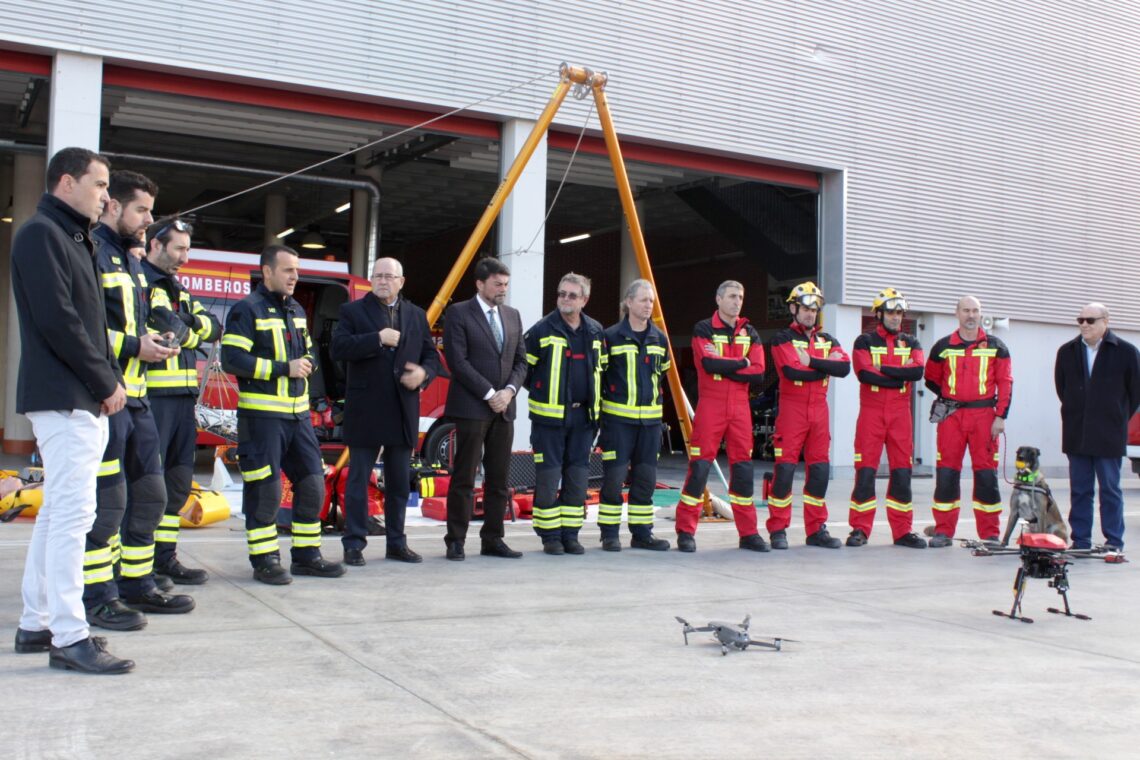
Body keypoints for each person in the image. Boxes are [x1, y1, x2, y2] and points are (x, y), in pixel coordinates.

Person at [11, 147, 133, 674]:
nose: (107, 196)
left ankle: (38, 622)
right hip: (67, 397)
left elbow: (89, 323)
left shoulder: (70, 238)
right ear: (67, 182)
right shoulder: (44, 235)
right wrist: (105, 381)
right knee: (72, 518)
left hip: (74, 396)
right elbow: (60, 322)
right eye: (100, 184)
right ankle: (70, 634)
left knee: (59, 515)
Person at [86, 171, 193, 631]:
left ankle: (137, 583)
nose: (149, 220)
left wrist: (150, 338)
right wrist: (134, 346)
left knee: (151, 495)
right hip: (105, 400)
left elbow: (132, 325)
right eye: (142, 210)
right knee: (108, 505)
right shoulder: (90, 252)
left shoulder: (130, 262)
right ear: (114, 207)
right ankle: (97, 597)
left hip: (139, 397)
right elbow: (82, 328)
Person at [220, 244, 346, 584]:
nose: (295, 276)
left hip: (298, 418)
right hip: (261, 419)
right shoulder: (247, 310)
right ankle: (265, 560)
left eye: (297, 270)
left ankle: (306, 556)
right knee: (266, 490)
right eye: (288, 270)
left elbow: (305, 355)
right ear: (267, 272)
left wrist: (306, 364)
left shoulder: (296, 310)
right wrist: (283, 368)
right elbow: (231, 360)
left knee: (313, 483)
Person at [331, 257, 442, 566]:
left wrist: (424, 374)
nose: (382, 281)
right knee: (358, 481)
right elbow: (338, 348)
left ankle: (396, 542)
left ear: (401, 281)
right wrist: (376, 340)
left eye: (389, 276)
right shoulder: (352, 311)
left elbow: (430, 357)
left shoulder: (416, 316)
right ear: (371, 279)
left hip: (402, 408)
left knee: (398, 482)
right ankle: (353, 543)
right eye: (377, 276)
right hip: (366, 409)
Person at [143, 217, 220, 584]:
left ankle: (165, 559)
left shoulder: (177, 288)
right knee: (147, 486)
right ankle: (139, 566)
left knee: (176, 485)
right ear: (156, 245)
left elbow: (211, 328)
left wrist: (186, 324)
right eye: (179, 249)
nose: (185, 257)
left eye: (188, 249)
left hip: (182, 402)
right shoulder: (142, 283)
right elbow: (170, 328)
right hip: (152, 399)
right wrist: (188, 327)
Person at [441, 257, 527, 560]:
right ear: (480, 284)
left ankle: (493, 539)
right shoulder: (459, 313)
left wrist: (509, 391)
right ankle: (456, 540)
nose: (503, 289)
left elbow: (521, 361)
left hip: (504, 409)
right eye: (497, 284)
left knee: (499, 479)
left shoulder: (513, 316)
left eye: (506, 284)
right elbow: (457, 361)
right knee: (464, 476)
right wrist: (490, 392)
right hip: (471, 408)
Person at [674, 280, 768, 553]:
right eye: (731, 296)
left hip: (740, 407)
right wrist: (743, 363)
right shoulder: (703, 328)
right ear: (718, 299)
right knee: (699, 468)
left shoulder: (750, 331)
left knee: (743, 470)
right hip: (711, 405)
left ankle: (748, 533)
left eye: (740, 296)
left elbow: (760, 372)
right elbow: (707, 363)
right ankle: (685, 531)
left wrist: (724, 367)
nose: (737, 301)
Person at [524, 273, 606, 555]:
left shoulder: (595, 331)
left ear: (584, 299)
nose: (565, 299)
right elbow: (524, 370)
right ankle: (549, 536)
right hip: (549, 421)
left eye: (572, 295)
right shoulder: (541, 330)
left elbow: (602, 372)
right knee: (548, 478)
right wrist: (542, 391)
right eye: (561, 294)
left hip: (583, 420)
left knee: (577, 478)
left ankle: (571, 534)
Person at [766, 281, 851, 549]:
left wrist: (812, 362)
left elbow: (845, 367)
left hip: (819, 411)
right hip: (793, 411)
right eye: (804, 308)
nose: (810, 313)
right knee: (785, 471)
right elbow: (792, 372)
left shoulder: (827, 340)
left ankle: (816, 530)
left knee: (819, 472)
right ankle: (778, 528)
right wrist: (826, 368)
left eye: (814, 309)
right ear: (793, 308)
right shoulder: (782, 338)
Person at [924, 296, 1013, 547]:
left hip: (984, 418)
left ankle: (990, 533)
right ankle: (943, 531)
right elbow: (931, 378)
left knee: (986, 475)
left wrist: (1000, 416)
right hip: (951, 417)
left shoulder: (997, 346)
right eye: (966, 310)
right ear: (957, 313)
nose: (971, 315)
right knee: (946, 473)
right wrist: (950, 399)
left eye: (975, 311)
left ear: (980, 313)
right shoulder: (943, 346)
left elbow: (1006, 382)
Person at [846, 288, 928, 548]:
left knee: (902, 473)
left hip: (900, 414)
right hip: (871, 413)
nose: (895, 317)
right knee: (866, 473)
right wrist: (899, 376)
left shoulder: (912, 342)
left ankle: (902, 531)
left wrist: (884, 369)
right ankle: (860, 529)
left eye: (899, 312)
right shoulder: (864, 341)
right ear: (879, 314)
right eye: (891, 312)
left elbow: (917, 372)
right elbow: (865, 374)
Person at [1054, 303, 1140, 550]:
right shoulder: (1067, 352)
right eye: (1080, 319)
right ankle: (1081, 541)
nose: (1084, 325)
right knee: (1080, 490)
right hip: (1077, 432)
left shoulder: (1126, 352)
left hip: (1108, 434)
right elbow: (1062, 389)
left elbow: (1135, 393)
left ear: (1105, 321)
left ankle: (1114, 541)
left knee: (1110, 491)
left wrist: (1115, 416)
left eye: (1090, 320)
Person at [597, 280, 672, 551]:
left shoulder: (659, 338)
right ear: (628, 302)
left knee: (645, 481)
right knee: (614, 480)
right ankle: (609, 534)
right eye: (643, 300)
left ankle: (642, 534)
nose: (648, 305)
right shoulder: (611, 336)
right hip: (618, 423)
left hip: (650, 425)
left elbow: (661, 372)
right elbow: (600, 376)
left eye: (651, 301)